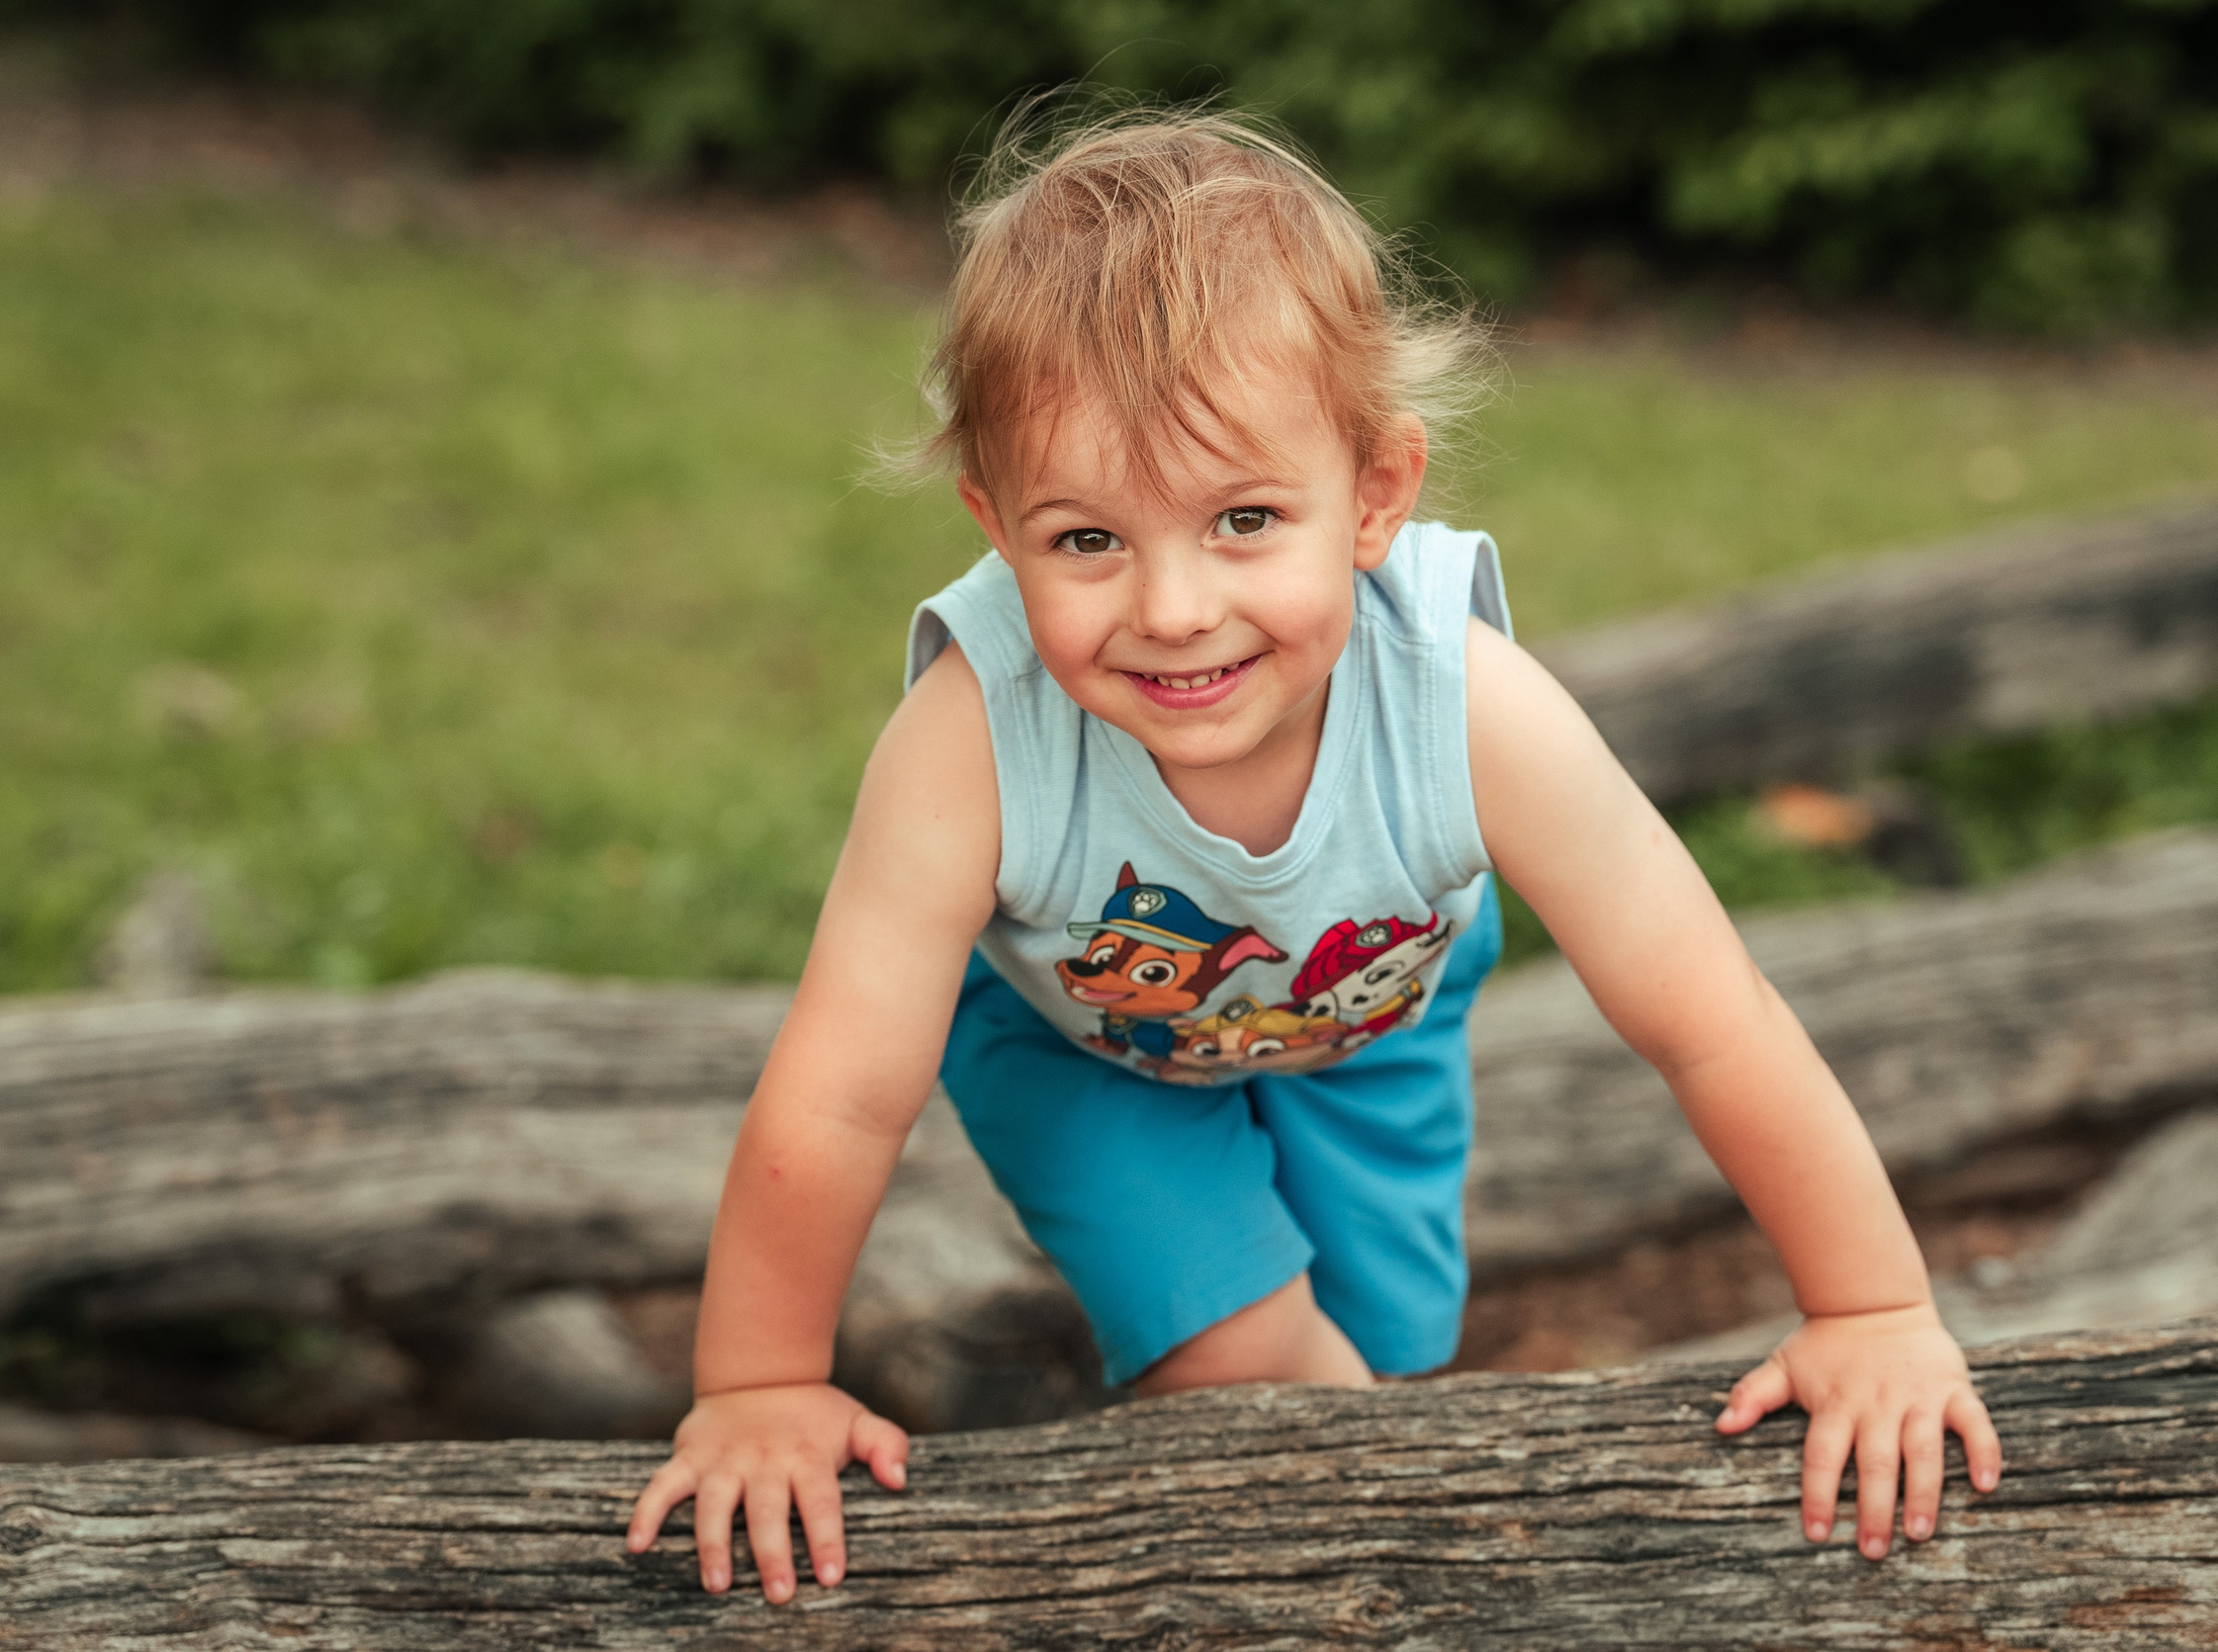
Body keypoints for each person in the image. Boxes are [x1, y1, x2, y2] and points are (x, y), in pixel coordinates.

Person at [624, 108, 2003, 1603]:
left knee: (1386, 1353)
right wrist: (757, 1382)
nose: (1169, 605)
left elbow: (1711, 1017)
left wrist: (1870, 1304)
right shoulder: (974, 738)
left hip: (1366, 1005)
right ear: (994, 525)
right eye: (1085, 539)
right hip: (1080, 1041)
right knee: (1250, 1363)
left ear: (1377, 494)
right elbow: (837, 1094)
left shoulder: (1470, 708)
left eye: (1243, 520)